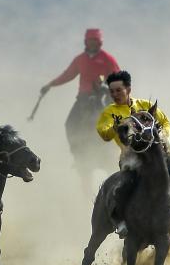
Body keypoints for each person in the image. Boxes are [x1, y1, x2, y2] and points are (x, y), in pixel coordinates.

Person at [95, 70, 170, 241]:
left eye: (119, 90)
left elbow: (166, 122)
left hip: (156, 159)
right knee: (121, 189)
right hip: (131, 161)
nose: (115, 94)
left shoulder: (145, 105)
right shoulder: (109, 112)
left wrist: (164, 135)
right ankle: (121, 221)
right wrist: (113, 129)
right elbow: (104, 133)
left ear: (128, 89)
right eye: (112, 91)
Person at [39, 29, 120, 180]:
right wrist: (50, 84)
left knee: (113, 123)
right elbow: (68, 74)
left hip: (102, 97)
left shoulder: (107, 59)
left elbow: (119, 77)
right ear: (86, 42)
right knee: (69, 124)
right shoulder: (80, 59)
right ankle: (78, 154)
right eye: (90, 41)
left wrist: (108, 88)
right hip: (83, 99)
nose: (92, 43)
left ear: (99, 42)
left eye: (95, 41)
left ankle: (115, 151)